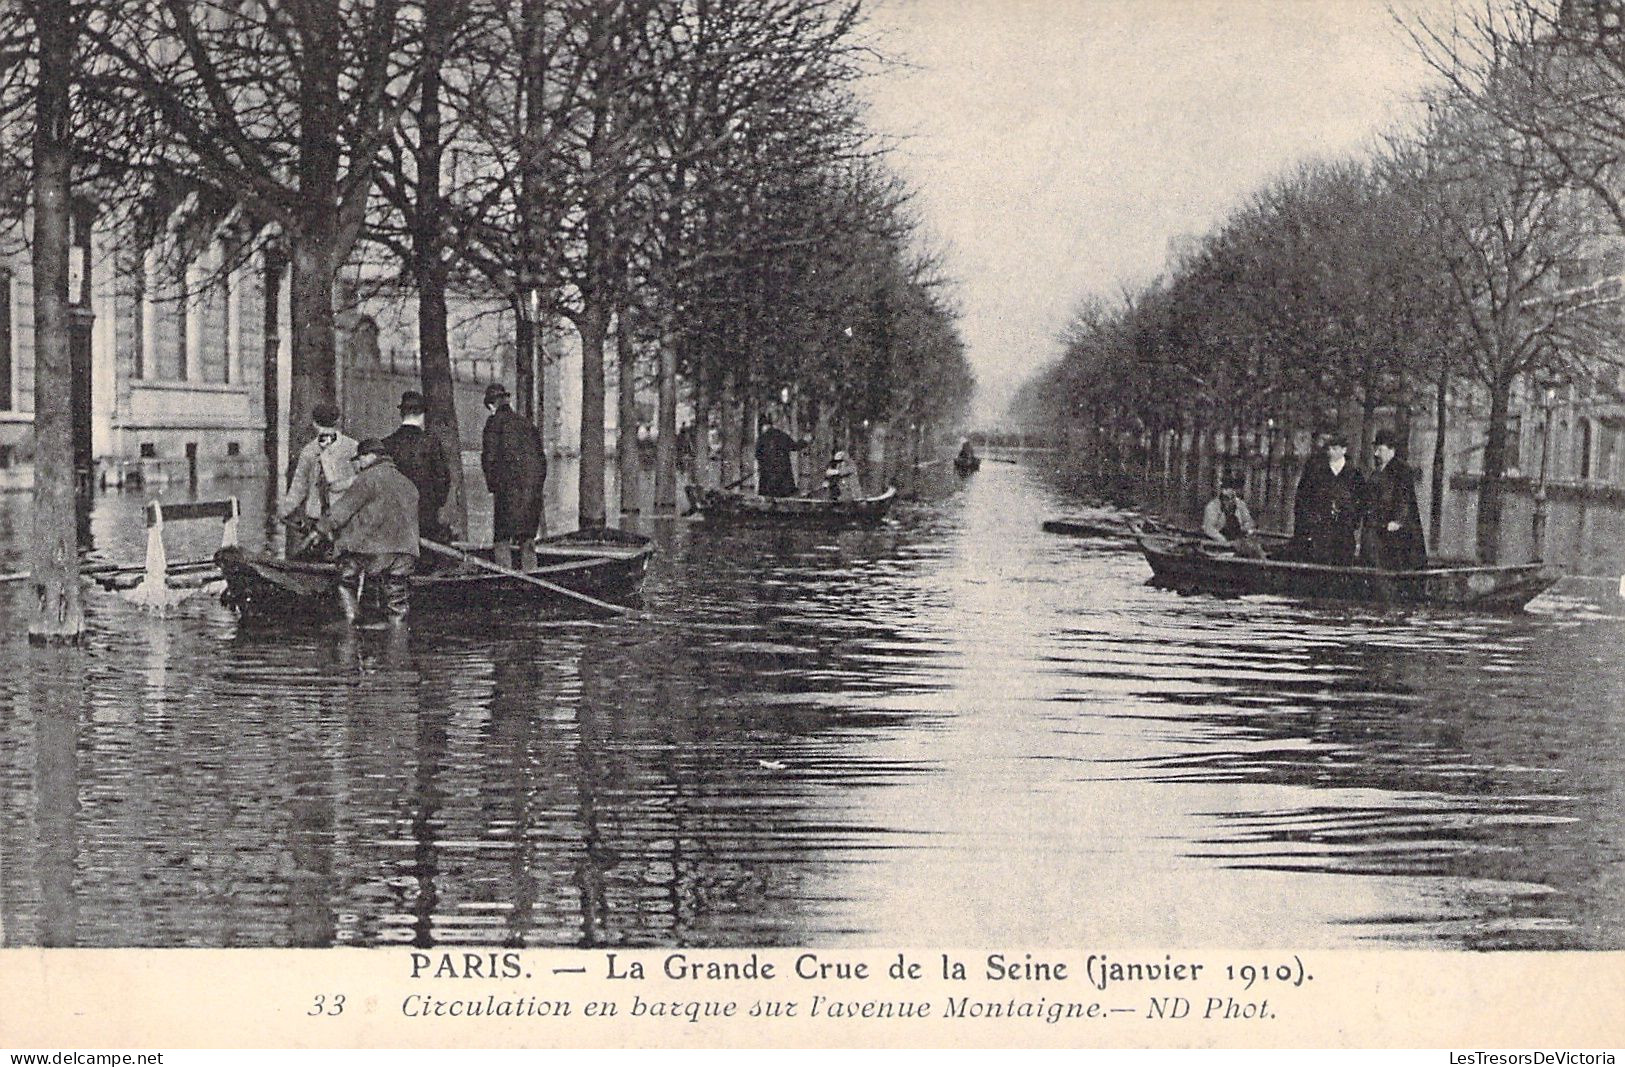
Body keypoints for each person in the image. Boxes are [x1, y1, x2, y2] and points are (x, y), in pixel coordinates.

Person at [316, 438, 419, 626]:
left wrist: (320, 529)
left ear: (370, 457)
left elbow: (341, 512)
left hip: (374, 550)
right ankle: (397, 638)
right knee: (397, 601)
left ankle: (350, 626)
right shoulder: (407, 483)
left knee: (346, 579)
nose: (359, 464)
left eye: (360, 459)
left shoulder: (367, 479)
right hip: (406, 551)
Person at [480, 383, 546, 570]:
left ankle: (505, 578)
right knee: (527, 539)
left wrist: (494, 486)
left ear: (491, 405)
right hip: (531, 494)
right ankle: (532, 580)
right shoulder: (527, 424)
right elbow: (541, 462)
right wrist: (536, 488)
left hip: (507, 494)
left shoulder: (493, 424)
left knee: (501, 539)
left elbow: (489, 459)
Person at [383, 389, 451, 545]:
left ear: (402, 414)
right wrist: (438, 502)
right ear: (422, 415)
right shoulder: (431, 442)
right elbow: (442, 477)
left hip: (396, 511)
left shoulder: (387, 443)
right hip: (426, 510)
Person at [1289, 431, 1364, 565]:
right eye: (1329, 449)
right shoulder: (1316, 470)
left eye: (1335, 449)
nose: (1331, 452)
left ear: (1344, 450)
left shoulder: (1354, 473)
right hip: (1319, 532)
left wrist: (1352, 521)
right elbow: (1302, 499)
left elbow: (1361, 502)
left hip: (1343, 534)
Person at [1361, 429, 1428, 570]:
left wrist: (1397, 521)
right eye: (1375, 449)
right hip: (1378, 527)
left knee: (1396, 562)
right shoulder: (1377, 472)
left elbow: (1404, 498)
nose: (1376, 454)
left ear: (1392, 449)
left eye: (1380, 449)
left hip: (1396, 530)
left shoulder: (1402, 470)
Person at [1201, 475, 1266, 559]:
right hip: (1217, 542)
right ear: (1221, 491)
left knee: (1254, 547)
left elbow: (1249, 522)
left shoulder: (1240, 504)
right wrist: (1224, 541)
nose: (1230, 501)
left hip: (1237, 540)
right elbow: (1209, 529)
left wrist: (1246, 529)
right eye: (1226, 497)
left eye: (1232, 497)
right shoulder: (1212, 506)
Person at [754, 417, 807, 497]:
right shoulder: (782, 435)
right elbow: (795, 446)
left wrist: (763, 464)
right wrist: (805, 441)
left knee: (767, 496)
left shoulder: (762, 438)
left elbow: (758, 455)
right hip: (782, 476)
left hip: (768, 476)